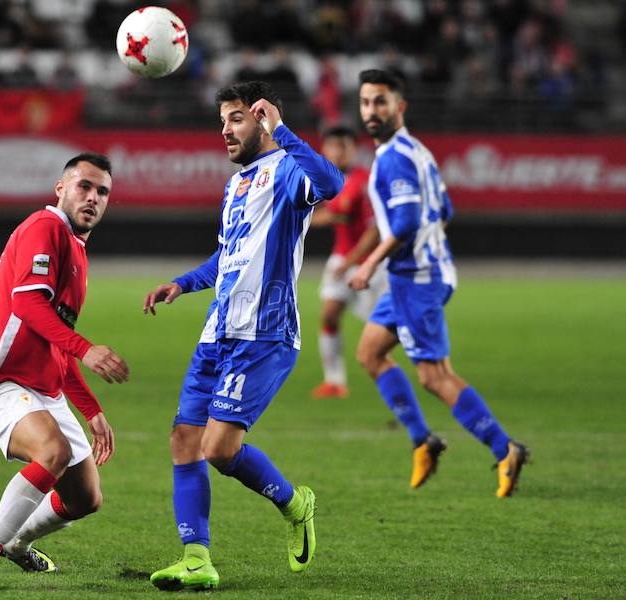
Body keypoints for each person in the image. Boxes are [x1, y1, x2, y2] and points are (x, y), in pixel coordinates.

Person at [143, 81, 344, 591]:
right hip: (218, 330)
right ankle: (196, 559)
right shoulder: (236, 185)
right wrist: (183, 283)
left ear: (261, 117)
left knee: (219, 448)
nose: (225, 131)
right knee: (185, 440)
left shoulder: (289, 173)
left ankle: (296, 505)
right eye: (222, 122)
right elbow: (228, 254)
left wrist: (283, 130)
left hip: (265, 333)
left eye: (235, 119)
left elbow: (333, 183)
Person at [0, 153, 130, 592]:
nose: (92, 197)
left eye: (102, 191)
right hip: (0, 383)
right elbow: (26, 305)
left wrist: (89, 408)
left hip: (42, 389)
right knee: (50, 452)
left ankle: (17, 543)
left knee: (85, 498)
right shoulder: (44, 227)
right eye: (84, 186)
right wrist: (87, 349)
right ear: (60, 189)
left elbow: (55, 337)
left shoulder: (76, 249)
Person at [350, 69, 529, 497]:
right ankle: (423, 440)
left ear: (400, 106)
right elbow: (444, 209)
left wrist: (368, 264)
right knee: (370, 352)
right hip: (416, 274)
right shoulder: (418, 151)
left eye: (380, 102)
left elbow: (409, 221)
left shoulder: (393, 156)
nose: (372, 110)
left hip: (416, 279)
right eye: (365, 102)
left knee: (434, 375)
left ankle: (505, 449)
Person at [309, 125, 385, 399]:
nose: (337, 151)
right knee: (328, 314)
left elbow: (374, 230)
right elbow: (329, 216)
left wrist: (350, 261)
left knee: (379, 331)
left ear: (354, 149)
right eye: (332, 146)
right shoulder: (331, 181)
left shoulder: (365, 181)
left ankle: (401, 370)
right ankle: (334, 382)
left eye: (343, 146)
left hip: (368, 263)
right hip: (341, 259)